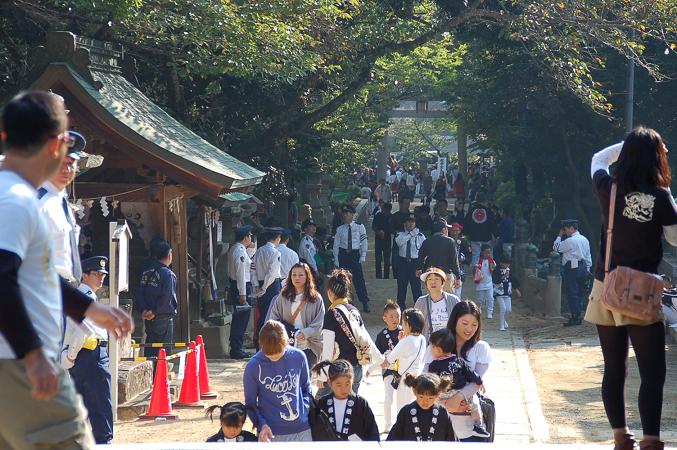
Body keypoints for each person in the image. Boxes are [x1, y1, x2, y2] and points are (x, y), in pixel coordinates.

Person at [0, 90, 132, 449]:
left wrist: (90, 309)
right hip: (15, 358)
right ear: (58, 143)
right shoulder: (17, 199)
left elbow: (35, 275)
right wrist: (32, 355)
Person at [584, 129, 677, 450]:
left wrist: (633, 145)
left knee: (614, 367)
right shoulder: (661, 196)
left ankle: (621, 436)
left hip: (604, 286)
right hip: (639, 291)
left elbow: (598, 159)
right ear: (656, 157)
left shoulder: (609, 189)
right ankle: (651, 440)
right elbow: (675, 239)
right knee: (652, 370)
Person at [62, 256, 114, 444]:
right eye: (96, 274)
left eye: (103, 274)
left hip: (82, 356)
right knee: (100, 406)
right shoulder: (86, 298)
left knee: (83, 407)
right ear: (84, 276)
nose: (101, 278)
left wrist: (69, 355)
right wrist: (71, 354)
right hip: (91, 355)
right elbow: (83, 329)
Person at [243, 320, 312, 442]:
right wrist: (262, 425)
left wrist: (304, 410)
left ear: (286, 343)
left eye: (279, 353)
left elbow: (307, 389)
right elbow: (250, 404)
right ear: (261, 344)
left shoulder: (299, 357)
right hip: (270, 432)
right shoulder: (253, 366)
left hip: (302, 430)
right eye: (269, 355)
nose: (274, 358)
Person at [37, 129, 86, 282]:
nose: (66, 169)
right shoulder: (38, 202)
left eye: (71, 163)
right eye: (60, 163)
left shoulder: (60, 201)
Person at [441, 300, 492, 442]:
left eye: (474, 325)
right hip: (440, 417)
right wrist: (445, 402)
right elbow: (427, 375)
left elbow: (478, 381)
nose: (469, 329)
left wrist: (457, 398)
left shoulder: (481, 348)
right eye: (464, 323)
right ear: (454, 321)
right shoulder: (438, 345)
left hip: (468, 418)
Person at [427, 329, 489, 438]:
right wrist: (479, 381)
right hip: (460, 390)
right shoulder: (458, 360)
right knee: (473, 404)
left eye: (431, 347)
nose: (430, 350)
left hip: (444, 394)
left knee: (437, 407)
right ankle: (478, 425)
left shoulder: (433, 365)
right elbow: (470, 373)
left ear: (438, 349)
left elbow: (431, 381)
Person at [319, 269, 368, 395]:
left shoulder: (331, 314)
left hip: (339, 371)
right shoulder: (354, 310)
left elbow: (328, 348)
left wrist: (323, 376)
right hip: (356, 368)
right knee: (349, 409)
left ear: (330, 292)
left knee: (320, 407)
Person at [266, 262, 325, 367]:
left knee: (304, 377)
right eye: (294, 275)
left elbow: (320, 323)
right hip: (287, 344)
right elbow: (273, 319)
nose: (297, 278)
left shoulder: (316, 299)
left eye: (301, 275)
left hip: (309, 345)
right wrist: (284, 331)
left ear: (307, 276)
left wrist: (306, 332)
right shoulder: (283, 297)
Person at [313, 360, 380, 441]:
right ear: (330, 383)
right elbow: (316, 432)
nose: (343, 389)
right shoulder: (322, 403)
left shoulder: (361, 403)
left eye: (347, 384)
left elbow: (372, 432)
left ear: (353, 380)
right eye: (339, 385)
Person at [380, 308, 426, 414]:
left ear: (409, 325)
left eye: (404, 323)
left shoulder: (406, 341)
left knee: (402, 411)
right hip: (417, 379)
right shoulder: (422, 338)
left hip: (405, 380)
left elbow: (390, 359)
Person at [138, 238, 177, 360]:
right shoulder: (168, 274)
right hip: (162, 316)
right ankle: (159, 378)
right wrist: (154, 311)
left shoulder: (146, 272)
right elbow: (167, 298)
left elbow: (140, 292)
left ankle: (151, 376)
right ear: (169, 255)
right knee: (163, 353)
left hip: (148, 316)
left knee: (151, 350)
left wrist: (144, 310)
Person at [386, 373, 455, 441]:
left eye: (430, 398)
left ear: (438, 393)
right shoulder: (406, 412)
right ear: (414, 391)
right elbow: (393, 439)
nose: (425, 402)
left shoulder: (442, 413)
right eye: (421, 397)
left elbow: (450, 440)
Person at [553, 219, 592, 326]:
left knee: (572, 292)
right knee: (579, 292)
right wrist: (588, 269)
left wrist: (559, 235)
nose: (565, 231)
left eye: (565, 229)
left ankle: (575, 316)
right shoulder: (585, 239)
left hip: (573, 268)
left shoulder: (570, 241)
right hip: (583, 267)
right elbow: (588, 256)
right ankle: (578, 314)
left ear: (571, 228)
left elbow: (556, 248)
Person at [332, 204, 370, 312]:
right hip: (343, 255)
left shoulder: (359, 226)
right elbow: (336, 244)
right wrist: (336, 258)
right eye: (344, 214)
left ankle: (364, 301)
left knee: (359, 279)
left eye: (348, 214)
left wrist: (363, 254)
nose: (345, 216)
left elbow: (364, 241)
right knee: (344, 280)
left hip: (354, 254)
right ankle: (346, 302)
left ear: (353, 215)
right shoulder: (340, 229)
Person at [226, 225, 254, 359]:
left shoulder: (236, 249)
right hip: (241, 286)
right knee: (241, 319)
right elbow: (241, 273)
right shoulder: (239, 251)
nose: (251, 238)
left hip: (236, 285)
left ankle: (237, 347)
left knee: (240, 318)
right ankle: (237, 348)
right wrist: (242, 293)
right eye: (250, 235)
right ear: (246, 237)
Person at [251, 227, 283, 350]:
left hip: (260, 284)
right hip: (271, 286)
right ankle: (269, 345)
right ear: (277, 239)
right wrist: (264, 287)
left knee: (262, 314)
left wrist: (257, 285)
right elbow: (272, 273)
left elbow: (252, 268)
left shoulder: (259, 250)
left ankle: (260, 345)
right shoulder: (275, 253)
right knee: (272, 315)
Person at [374, 300, 402, 431]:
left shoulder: (405, 333)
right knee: (389, 397)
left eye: (397, 316)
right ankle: (388, 423)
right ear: (384, 318)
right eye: (391, 316)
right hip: (389, 371)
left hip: (403, 370)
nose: (395, 319)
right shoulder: (381, 336)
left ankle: (401, 422)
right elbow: (377, 354)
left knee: (402, 398)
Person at [414, 267, 460, 341]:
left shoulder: (454, 300)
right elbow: (415, 324)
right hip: (428, 344)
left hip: (450, 343)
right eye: (429, 279)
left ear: (443, 282)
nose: (433, 282)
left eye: (436, 279)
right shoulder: (421, 302)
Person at [417, 220, 461, 293]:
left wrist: (418, 268)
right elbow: (454, 262)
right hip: (446, 275)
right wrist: (458, 277)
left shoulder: (427, 241)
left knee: (431, 300)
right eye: (447, 228)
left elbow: (420, 257)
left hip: (431, 276)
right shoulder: (450, 241)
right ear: (444, 230)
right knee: (447, 301)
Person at [394, 214, 425, 310]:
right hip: (403, 263)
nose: (411, 224)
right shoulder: (400, 234)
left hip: (415, 263)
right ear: (404, 224)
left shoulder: (420, 236)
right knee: (401, 287)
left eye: (413, 222)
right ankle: (401, 307)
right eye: (408, 221)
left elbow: (424, 250)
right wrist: (411, 234)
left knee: (416, 287)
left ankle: (419, 307)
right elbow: (399, 242)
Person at [464, 192, 496, 266]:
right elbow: (493, 224)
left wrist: (466, 234)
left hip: (474, 237)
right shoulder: (489, 212)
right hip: (486, 237)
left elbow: (466, 223)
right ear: (485, 201)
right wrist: (496, 235)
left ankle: (476, 273)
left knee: (476, 255)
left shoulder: (471, 211)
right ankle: (489, 271)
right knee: (489, 255)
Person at [492, 255, 521, 331]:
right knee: (503, 308)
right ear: (501, 263)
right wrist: (503, 276)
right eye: (506, 264)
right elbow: (495, 280)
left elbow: (512, 280)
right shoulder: (497, 270)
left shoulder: (509, 270)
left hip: (507, 292)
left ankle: (504, 320)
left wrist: (516, 289)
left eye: (508, 264)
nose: (507, 265)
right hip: (499, 292)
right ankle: (501, 326)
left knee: (508, 309)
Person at [389, 196, 412, 279]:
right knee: (396, 261)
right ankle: (396, 276)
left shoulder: (411, 216)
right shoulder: (395, 216)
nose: (407, 205)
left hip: (410, 242)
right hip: (398, 241)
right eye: (405, 203)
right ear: (400, 204)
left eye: (408, 204)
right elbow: (391, 228)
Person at [372, 201, 393, 279]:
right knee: (378, 260)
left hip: (387, 240)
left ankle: (386, 276)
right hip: (378, 239)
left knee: (387, 260)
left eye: (388, 210)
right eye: (385, 210)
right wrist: (378, 232)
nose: (386, 212)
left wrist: (387, 231)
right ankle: (378, 276)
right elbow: (373, 226)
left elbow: (392, 228)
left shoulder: (391, 217)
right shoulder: (378, 215)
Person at [474, 244, 495, 318]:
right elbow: (475, 271)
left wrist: (492, 266)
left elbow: (493, 270)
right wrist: (476, 267)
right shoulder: (478, 261)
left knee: (490, 298)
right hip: (481, 283)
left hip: (489, 283)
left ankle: (490, 312)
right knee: (480, 299)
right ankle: (478, 308)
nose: (488, 254)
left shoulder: (492, 261)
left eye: (489, 253)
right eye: (486, 252)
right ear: (482, 252)